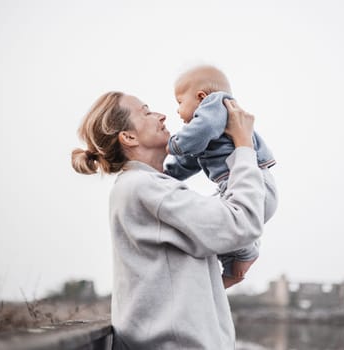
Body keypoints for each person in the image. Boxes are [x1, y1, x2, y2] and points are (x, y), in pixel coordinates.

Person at [71, 91, 266, 349]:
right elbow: (243, 222)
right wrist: (243, 146)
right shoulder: (145, 188)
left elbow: (213, 238)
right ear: (128, 137)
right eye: (146, 111)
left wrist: (235, 258)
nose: (161, 115)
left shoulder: (143, 187)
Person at [165, 65, 278, 287]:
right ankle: (231, 267)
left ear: (200, 97)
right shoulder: (214, 127)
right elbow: (190, 160)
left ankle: (247, 250)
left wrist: (174, 144)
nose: (177, 112)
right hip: (245, 186)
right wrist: (169, 174)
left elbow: (198, 133)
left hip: (255, 185)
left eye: (179, 103)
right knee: (206, 222)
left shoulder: (215, 104)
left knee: (213, 224)